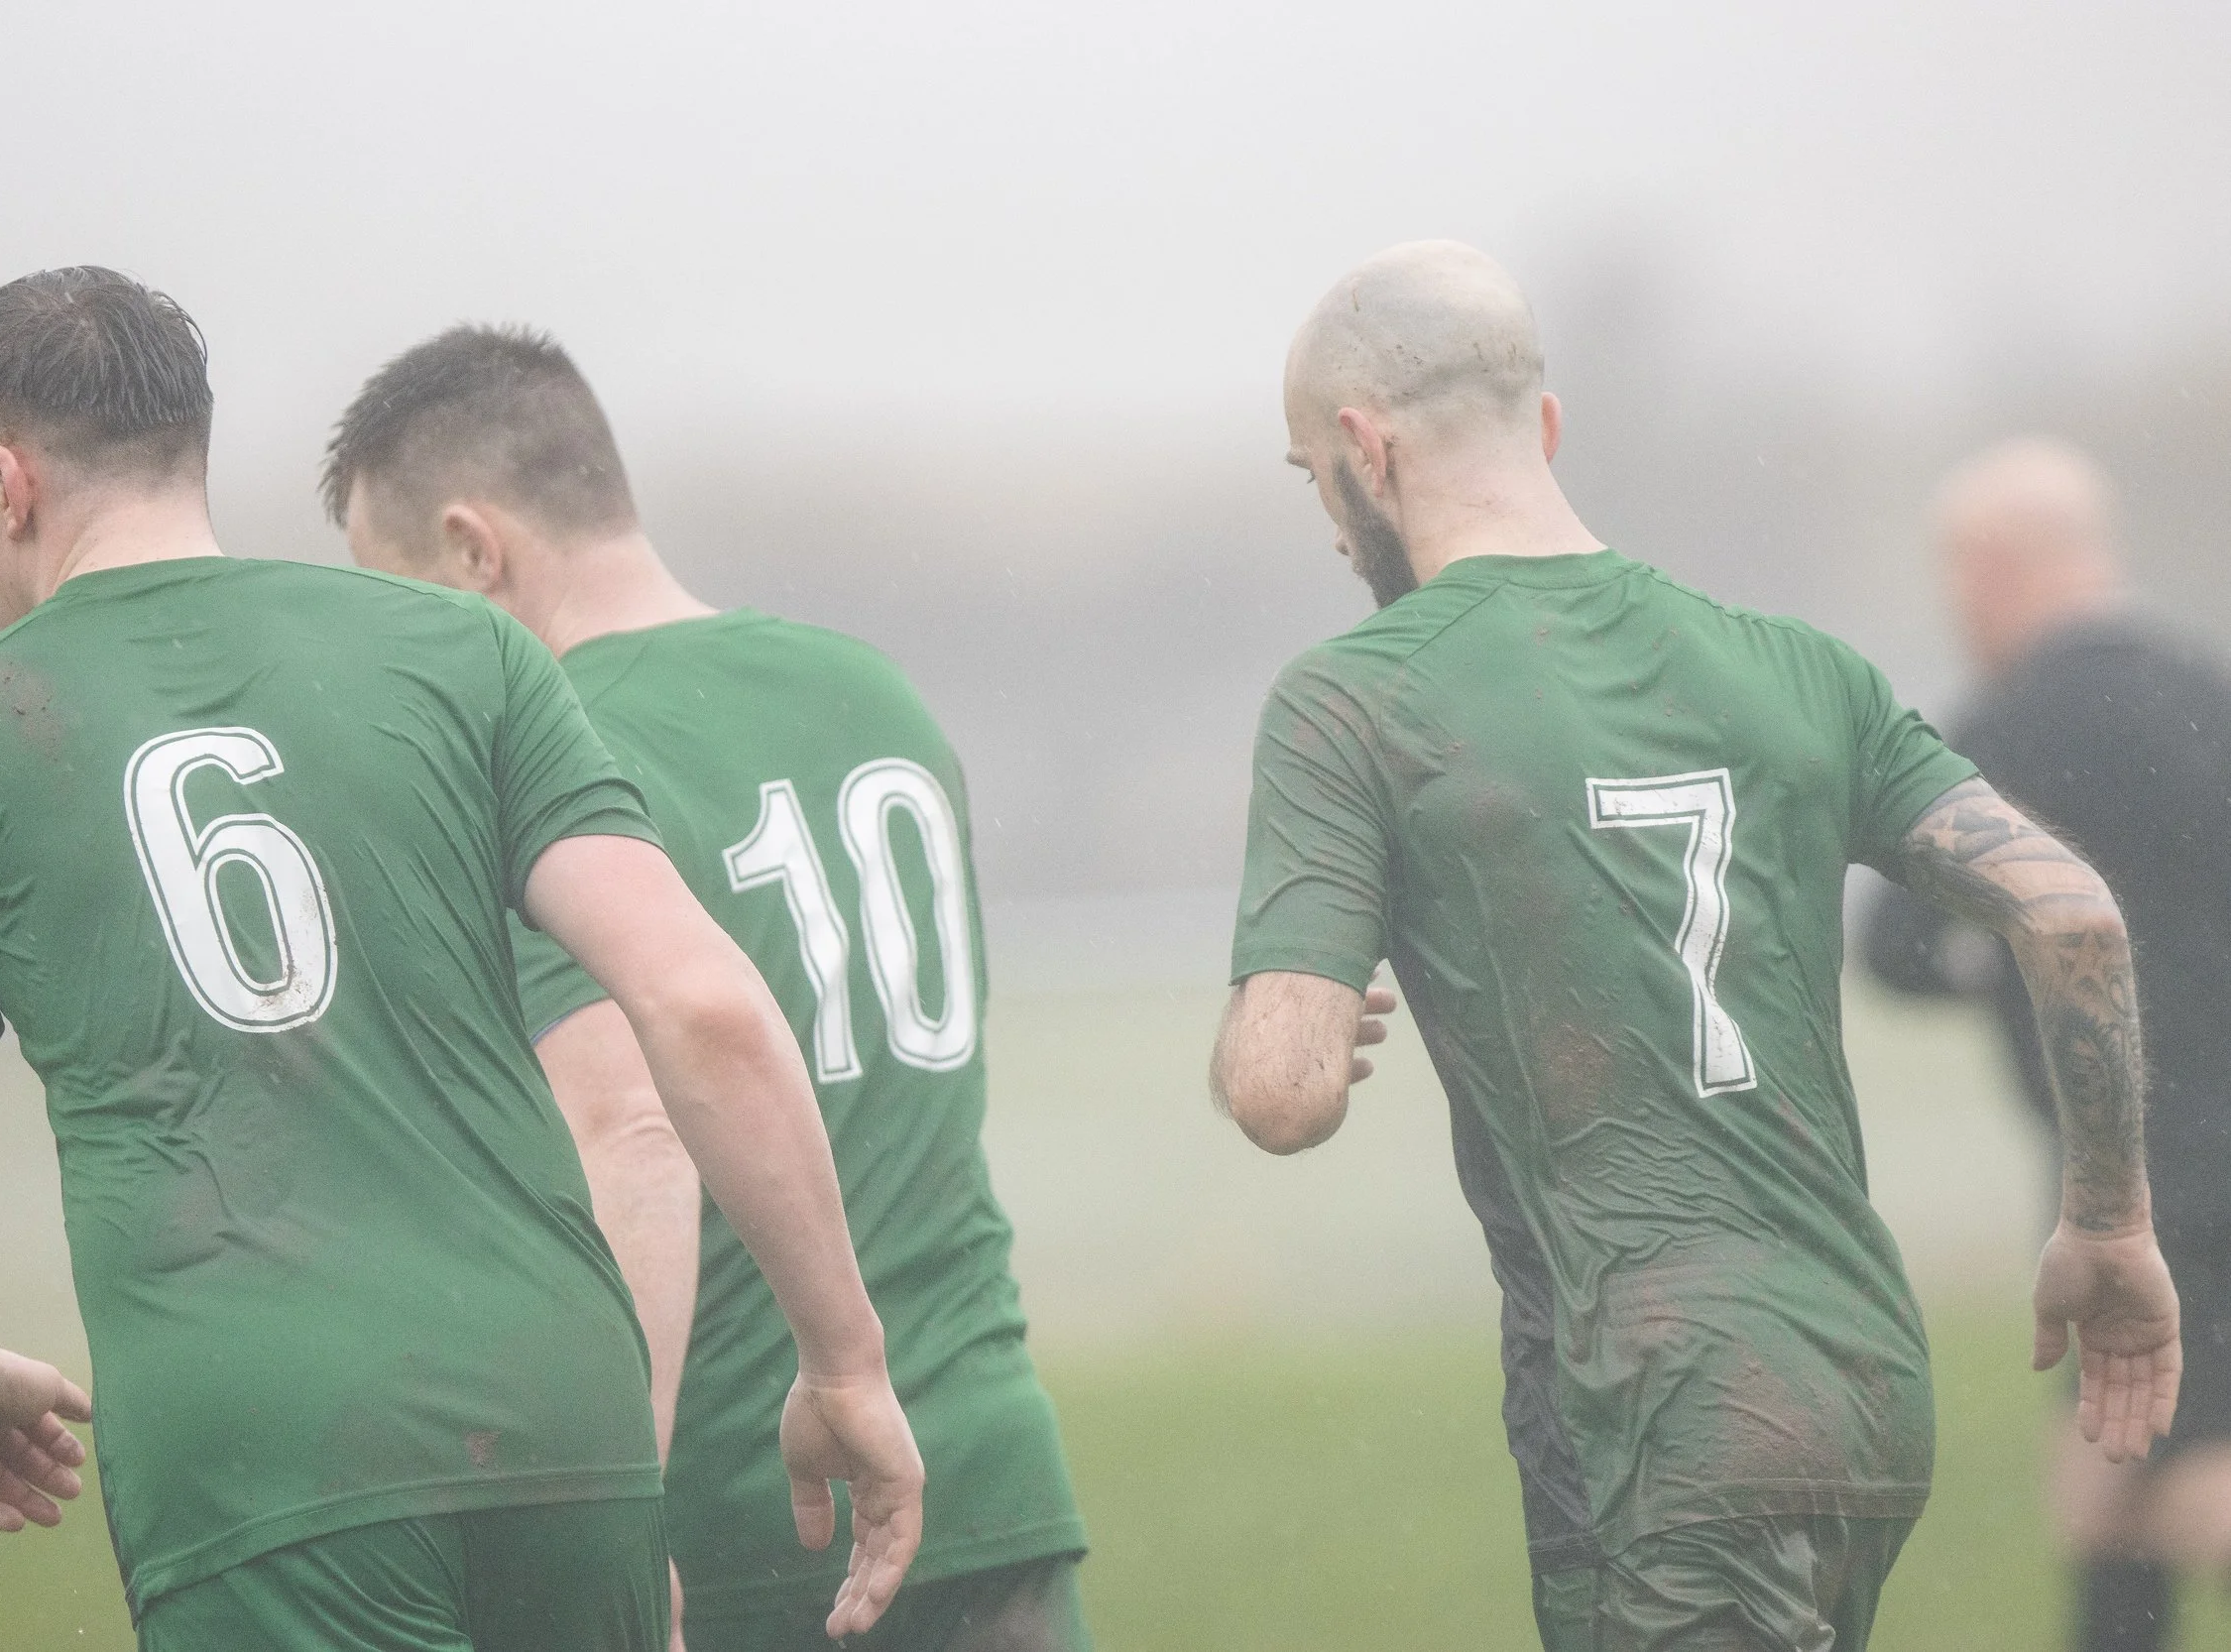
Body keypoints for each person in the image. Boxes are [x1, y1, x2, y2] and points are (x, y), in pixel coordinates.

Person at [0, 269, 923, 1652]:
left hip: (266, 1462)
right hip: (562, 1419)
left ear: (6, 484)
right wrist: (845, 1361)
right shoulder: (469, 656)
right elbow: (700, 1003)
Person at [1209, 241, 2180, 1652]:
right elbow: (2071, 911)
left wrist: (1268, 1023)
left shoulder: (1353, 698)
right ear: (1543, 427)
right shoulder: (1800, 663)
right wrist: (2109, 1220)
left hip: (1651, 1403)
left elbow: (1281, 1093)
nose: (1327, 522)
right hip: (1859, 1376)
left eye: (1311, 477)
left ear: (1367, 446)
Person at [321, 325, 1089, 1652]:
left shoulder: (548, 766)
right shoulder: (872, 692)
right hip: (985, 1464)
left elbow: (636, 1138)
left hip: (762, 1514)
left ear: (471, 548)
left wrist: (618, 1518)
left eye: (399, 603)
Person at [1862, 437, 2231, 1652]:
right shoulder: (2210, 694)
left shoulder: (2005, 726)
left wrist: (2024, 972)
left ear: (1988, 564)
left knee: (2128, 1488)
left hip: (2127, 1174)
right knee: (2132, 1483)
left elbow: (1897, 947)